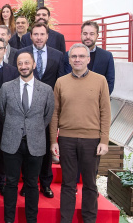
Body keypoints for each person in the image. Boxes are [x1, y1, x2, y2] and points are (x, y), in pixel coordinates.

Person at [50, 43, 111, 223]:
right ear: (69, 60)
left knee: (90, 184)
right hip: (66, 139)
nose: (77, 59)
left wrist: (105, 140)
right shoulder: (61, 82)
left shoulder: (100, 81)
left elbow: (105, 112)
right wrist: (54, 140)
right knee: (68, 184)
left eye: (81, 56)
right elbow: (54, 113)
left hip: (92, 141)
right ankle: (66, 219)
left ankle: (89, 219)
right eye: (74, 56)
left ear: (88, 59)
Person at [0, 51, 55, 223]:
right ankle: (9, 220)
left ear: (34, 65)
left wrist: (32, 129)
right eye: (20, 63)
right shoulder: (6, 87)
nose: (23, 66)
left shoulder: (46, 90)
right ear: (17, 66)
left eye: (27, 63)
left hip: (35, 143)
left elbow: (47, 115)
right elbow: (2, 112)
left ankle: (31, 219)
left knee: (32, 184)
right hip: (11, 143)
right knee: (11, 184)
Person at [15, 22, 63, 198]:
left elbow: (60, 81)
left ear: (47, 35)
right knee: (27, 148)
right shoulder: (22, 53)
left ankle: (45, 183)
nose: (39, 37)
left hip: (48, 107)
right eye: (35, 34)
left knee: (46, 147)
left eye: (42, 34)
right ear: (31, 36)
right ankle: (28, 183)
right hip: (27, 108)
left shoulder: (58, 55)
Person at [0, 37, 19, 196]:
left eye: (0, 48)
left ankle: (2, 182)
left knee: (3, 153)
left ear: (5, 51)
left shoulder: (13, 71)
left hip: (6, 119)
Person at [63, 20, 115, 94]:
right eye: (85, 34)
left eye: (91, 34)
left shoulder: (107, 56)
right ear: (81, 35)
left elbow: (110, 82)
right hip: (73, 98)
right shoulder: (69, 55)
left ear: (97, 36)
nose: (88, 37)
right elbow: (65, 79)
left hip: (96, 102)